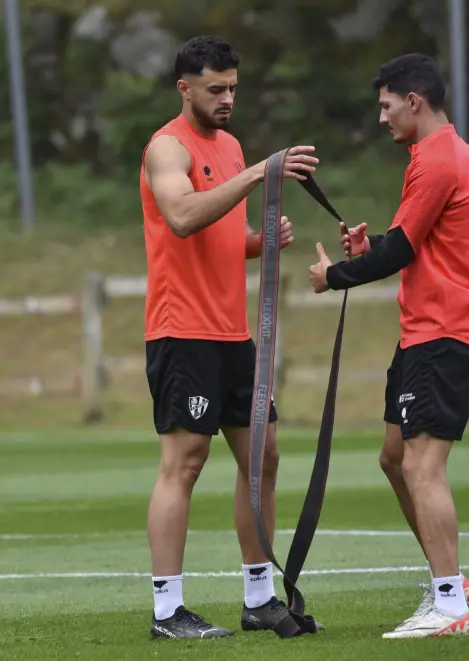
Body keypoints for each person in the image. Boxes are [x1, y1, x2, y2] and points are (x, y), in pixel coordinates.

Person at [140, 35, 320, 639]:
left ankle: (260, 598)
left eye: (233, 89)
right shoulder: (167, 148)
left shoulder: (232, 144)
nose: (226, 99)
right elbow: (186, 217)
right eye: (215, 89)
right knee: (184, 464)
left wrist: (261, 240)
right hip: (181, 332)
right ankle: (168, 611)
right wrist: (256, 176)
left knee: (262, 457)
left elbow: (225, 235)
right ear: (184, 88)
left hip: (233, 335)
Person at [307, 53, 469, 639]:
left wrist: (334, 276)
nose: (381, 117)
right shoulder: (442, 153)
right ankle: (450, 585)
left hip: (443, 332)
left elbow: (403, 252)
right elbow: (415, 239)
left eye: (386, 106)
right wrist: (371, 247)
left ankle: (450, 605)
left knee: (421, 466)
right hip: (423, 333)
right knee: (395, 458)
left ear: (414, 101)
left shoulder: (437, 159)